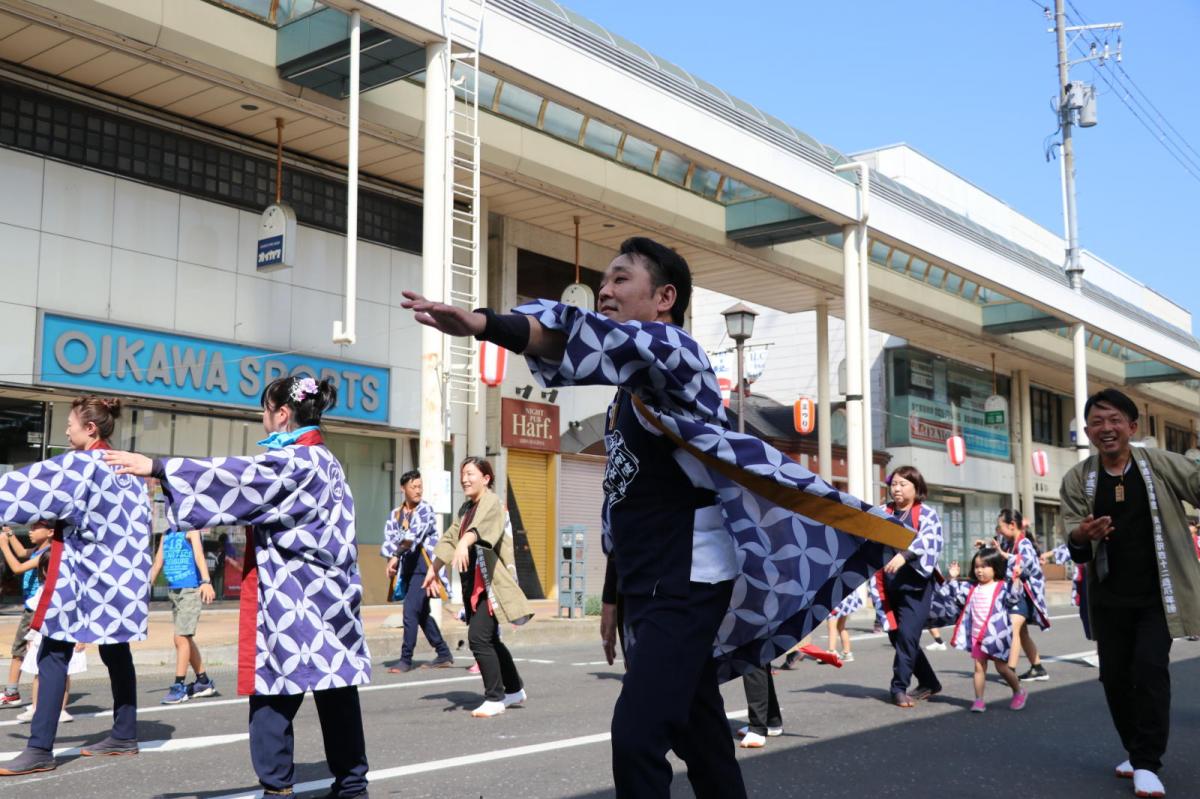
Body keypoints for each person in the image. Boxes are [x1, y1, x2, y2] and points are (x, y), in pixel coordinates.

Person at [403, 236, 909, 798]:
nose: (606, 288)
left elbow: (585, 336)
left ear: (665, 296)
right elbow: (622, 501)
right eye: (605, 280)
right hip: (651, 580)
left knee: (637, 736)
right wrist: (615, 596)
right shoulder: (628, 389)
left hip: (688, 577)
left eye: (621, 278)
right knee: (702, 738)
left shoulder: (678, 352)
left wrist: (484, 324)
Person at [106, 376, 370, 799]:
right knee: (335, 687)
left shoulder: (298, 462)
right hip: (331, 595)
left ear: (282, 413)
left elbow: (237, 477)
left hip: (295, 596)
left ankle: (278, 790)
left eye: (265, 409)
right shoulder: (326, 460)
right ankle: (352, 786)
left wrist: (158, 466)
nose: (262, 418)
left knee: (272, 691)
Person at [0, 396, 152, 777]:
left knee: (53, 649)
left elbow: (25, 489)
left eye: (71, 423)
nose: (66, 429)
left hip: (83, 571)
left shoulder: (82, 465)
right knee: (116, 648)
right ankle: (124, 733)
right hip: (120, 571)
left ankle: (39, 749)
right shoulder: (127, 466)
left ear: (91, 428)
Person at [1060, 388, 1200, 799]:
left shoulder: (1158, 465)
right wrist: (1082, 534)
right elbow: (1071, 533)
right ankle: (1135, 751)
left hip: (1158, 594)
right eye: (1098, 422)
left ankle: (1147, 763)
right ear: (1087, 431)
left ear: (1132, 427)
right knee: (1115, 678)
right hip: (1108, 596)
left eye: (1115, 420)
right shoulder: (1078, 478)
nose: (1107, 428)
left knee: (1150, 671)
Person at [423, 457, 531, 717]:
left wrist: (464, 543)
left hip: (492, 583)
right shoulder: (465, 508)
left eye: (470, 473)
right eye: (463, 474)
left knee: (478, 638)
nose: (465, 479)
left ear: (486, 478)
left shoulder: (492, 502)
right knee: (490, 638)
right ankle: (514, 688)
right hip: (476, 583)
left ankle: (495, 697)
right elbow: (451, 537)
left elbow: (480, 529)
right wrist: (433, 569)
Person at [875, 466, 944, 708]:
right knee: (898, 637)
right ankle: (929, 682)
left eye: (903, 484)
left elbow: (931, 540)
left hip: (916, 588)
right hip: (888, 587)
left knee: (907, 637)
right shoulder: (883, 512)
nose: (896, 489)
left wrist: (905, 555)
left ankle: (898, 687)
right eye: (894, 484)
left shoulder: (926, 514)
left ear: (916, 488)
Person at [941, 548, 1028, 712]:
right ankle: (979, 700)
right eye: (977, 567)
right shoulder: (971, 587)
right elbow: (955, 596)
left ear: (995, 567)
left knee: (1002, 668)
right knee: (979, 668)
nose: (979, 570)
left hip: (996, 636)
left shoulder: (1002, 586)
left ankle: (1018, 691)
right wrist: (952, 577)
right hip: (977, 636)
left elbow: (1013, 598)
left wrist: (1016, 579)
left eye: (984, 566)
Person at [383, 469, 453, 673]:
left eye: (420, 486)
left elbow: (413, 535)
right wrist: (391, 560)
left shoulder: (425, 510)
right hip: (408, 567)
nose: (418, 490)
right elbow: (389, 539)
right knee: (421, 613)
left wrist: (395, 555)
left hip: (426, 567)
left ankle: (405, 659)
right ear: (403, 488)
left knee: (410, 611)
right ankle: (443, 653)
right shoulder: (395, 515)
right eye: (413, 487)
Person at [147, 528, 217, 703]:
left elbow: (199, 555)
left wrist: (206, 581)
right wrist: (144, 590)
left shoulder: (191, 530)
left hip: (190, 591)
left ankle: (179, 686)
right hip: (175, 593)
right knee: (185, 638)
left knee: (180, 637)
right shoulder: (166, 534)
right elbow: (157, 563)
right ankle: (203, 682)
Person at [16, 556, 87, 724]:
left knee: (65, 673)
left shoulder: (75, 589)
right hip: (43, 635)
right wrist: (31, 637)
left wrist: (82, 637)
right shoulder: (43, 590)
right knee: (38, 673)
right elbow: (37, 616)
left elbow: (82, 614)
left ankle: (61, 709)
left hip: (69, 635)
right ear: (44, 571)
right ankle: (35, 707)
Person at [0, 523, 53, 709]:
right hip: (33, 605)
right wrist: (11, 534)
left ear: (50, 532)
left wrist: (4, 545)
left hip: (36, 608)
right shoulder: (39, 549)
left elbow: (17, 567)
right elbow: (22, 552)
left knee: (19, 650)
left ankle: (12, 692)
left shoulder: (48, 554)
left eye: (35, 528)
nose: (30, 531)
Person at [995, 509, 1051, 681]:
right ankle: (1038, 667)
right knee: (1022, 632)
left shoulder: (1024, 543)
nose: (998, 531)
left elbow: (1029, 566)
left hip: (1023, 596)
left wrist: (1008, 557)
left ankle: (1010, 670)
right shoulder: (1010, 542)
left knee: (1014, 629)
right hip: (1016, 594)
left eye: (1000, 527)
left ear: (1012, 525)